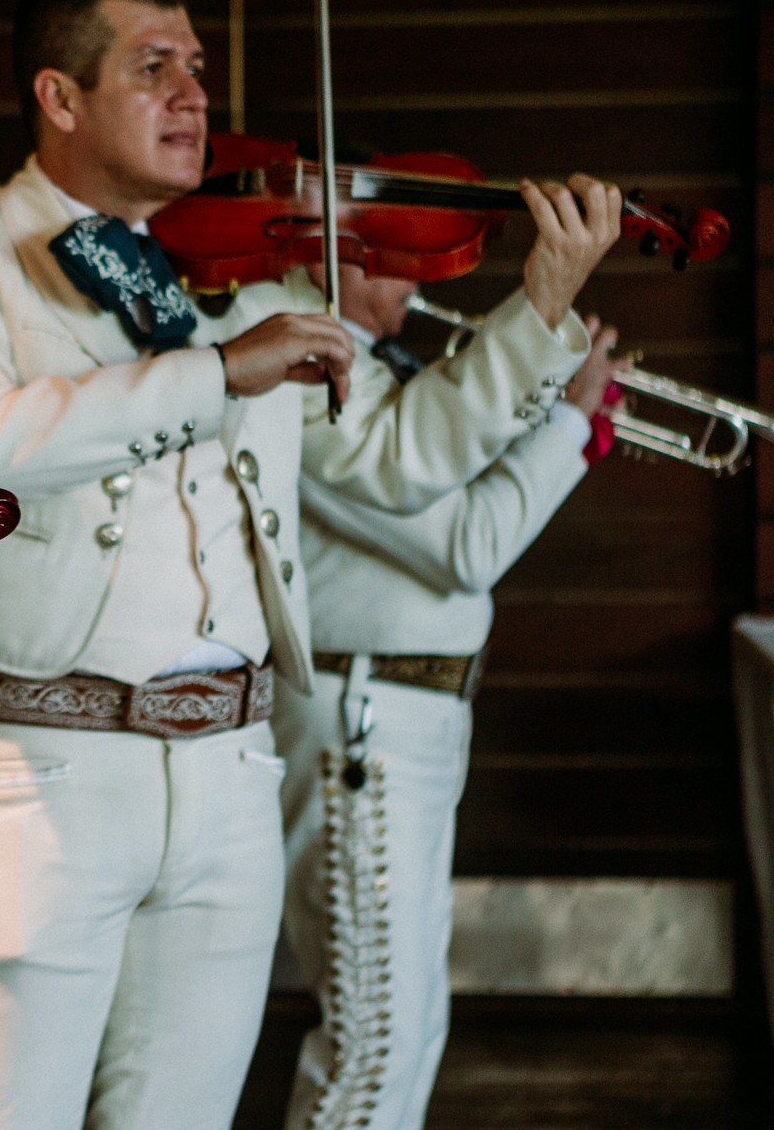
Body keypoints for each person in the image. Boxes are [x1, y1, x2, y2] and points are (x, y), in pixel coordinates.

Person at [0, 0, 619, 1130]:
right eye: (151, 67)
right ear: (58, 98)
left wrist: (537, 310)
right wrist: (217, 370)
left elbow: (395, 462)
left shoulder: (232, 279)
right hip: (46, 771)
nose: (192, 97)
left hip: (228, 773)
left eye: (199, 70)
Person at [275, 264, 630, 1130]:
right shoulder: (314, 383)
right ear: (336, 260)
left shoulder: (390, 374)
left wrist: (550, 418)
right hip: (364, 714)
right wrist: (571, 425)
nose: (425, 272)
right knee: (373, 1036)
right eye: (400, 251)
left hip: (410, 712)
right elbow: (469, 544)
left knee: (411, 1024)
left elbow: (462, 501)